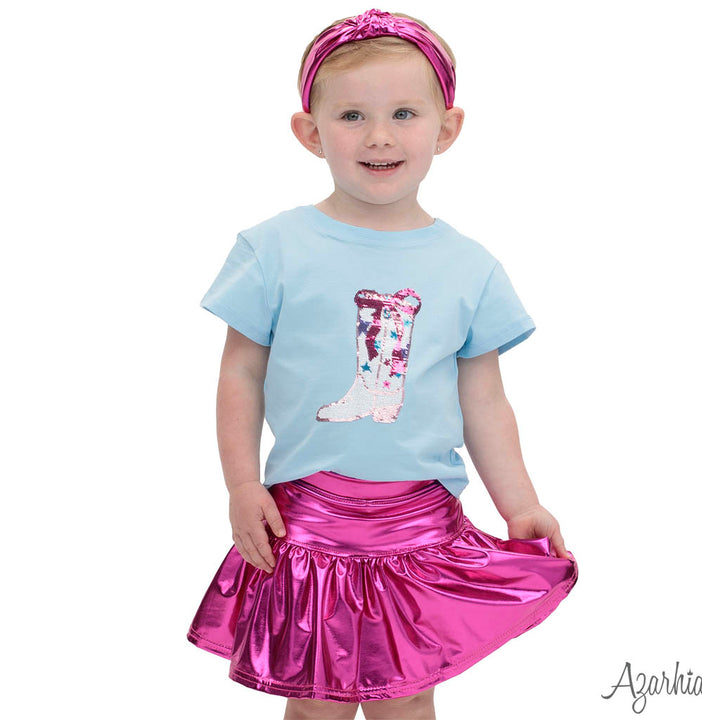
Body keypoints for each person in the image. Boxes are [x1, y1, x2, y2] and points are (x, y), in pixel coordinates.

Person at [187, 8, 578, 720]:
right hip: (308, 523)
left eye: (404, 113)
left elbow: (485, 401)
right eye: (351, 116)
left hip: (421, 525)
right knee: (315, 704)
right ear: (310, 131)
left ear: (446, 128)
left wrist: (520, 504)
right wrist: (242, 484)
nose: (379, 136)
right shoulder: (273, 249)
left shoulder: (469, 266)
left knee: (408, 700)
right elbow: (239, 373)